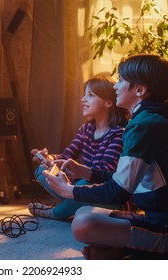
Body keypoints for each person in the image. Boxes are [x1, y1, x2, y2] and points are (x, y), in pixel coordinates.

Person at [42, 54, 168, 259]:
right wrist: (86, 172)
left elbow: (118, 193)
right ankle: (125, 250)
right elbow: (125, 179)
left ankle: (136, 250)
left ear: (139, 90)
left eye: (120, 80)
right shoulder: (147, 119)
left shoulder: (145, 125)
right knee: (83, 213)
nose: (115, 86)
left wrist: (69, 191)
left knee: (82, 224)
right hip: (163, 221)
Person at [30, 74, 130, 220]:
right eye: (84, 95)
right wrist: (48, 158)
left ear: (108, 103)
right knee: (42, 171)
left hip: (106, 195)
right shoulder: (86, 129)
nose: (83, 99)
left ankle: (57, 212)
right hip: (83, 188)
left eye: (90, 95)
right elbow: (67, 155)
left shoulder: (118, 134)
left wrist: (78, 173)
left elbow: (104, 174)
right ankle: (72, 204)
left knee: (85, 183)